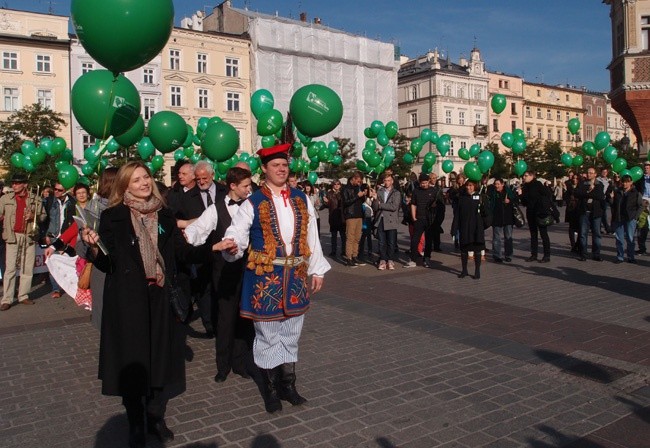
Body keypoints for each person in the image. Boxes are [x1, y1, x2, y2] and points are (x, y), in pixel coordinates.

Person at [81, 161, 233, 448]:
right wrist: (92, 246)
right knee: (134, 361)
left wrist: (212, 247)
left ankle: (155, 415)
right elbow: (106, 262)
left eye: (146, 177)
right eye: (136, 179)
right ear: (125, 185)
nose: (144, 183)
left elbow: (182, 252)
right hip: (127, 300)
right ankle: (136, 421)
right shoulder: (113, 216)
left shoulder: (164, 214)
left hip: (159, 296)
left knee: (159, 359)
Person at [222, 143, 331, 413]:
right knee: (268, 334)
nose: (282, 169)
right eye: (275, 166)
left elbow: (311, 236)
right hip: (265, 279)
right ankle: (270, 389)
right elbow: (237, 231)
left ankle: (289, 385)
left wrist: (316, 269)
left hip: (295, 276)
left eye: (284, 165)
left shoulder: (300, 198)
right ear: (264, 170)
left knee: (292, 333)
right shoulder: (252, 202)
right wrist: (232, 245)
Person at [183, 167, 255, 383]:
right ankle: (222, 366)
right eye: (246, 186)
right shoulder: (215, 210)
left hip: (250, 270)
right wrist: (193, 242)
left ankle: (240, 363)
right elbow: (197, 231)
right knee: (225, 319)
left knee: (245, 318)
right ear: (233, 186)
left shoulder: (252, 206)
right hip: (223, 272)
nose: (250, 189)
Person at [0, 174, 46, 311]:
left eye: (17, 183)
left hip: (29, 235)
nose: (14, 185)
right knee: (10, 268)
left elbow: (43, 216)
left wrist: (34, 216)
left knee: (27, 267)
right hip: (13, 235)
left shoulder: (35, 198)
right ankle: (7, 299)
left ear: (25, 185)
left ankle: (23, 295)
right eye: (13, 183)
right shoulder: (5, 198)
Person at [46, 182, 76, 298]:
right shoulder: (49, 201)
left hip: (65, 236)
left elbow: (73, 223)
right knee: (52, 261)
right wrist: (47, 234)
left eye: (60, 190)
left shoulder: (72, 202)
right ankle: (56, 289)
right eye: (55, 189)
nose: (56, 192)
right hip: (53, 235)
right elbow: (46, 218)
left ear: (66, 191)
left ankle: (70, 286)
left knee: (66, 261)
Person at [405, 173, 438, 268]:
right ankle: (413, 259)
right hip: (419, 218)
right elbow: (413, 204)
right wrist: (414, 217)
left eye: (426, 182)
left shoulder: (433, 191)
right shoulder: (416, 191)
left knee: (428, 240)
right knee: (415, 239)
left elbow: (437, 205)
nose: (424, 185)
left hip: (429, 220)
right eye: (422, 183)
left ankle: (427, 258)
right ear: (420, 183)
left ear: (428, 182)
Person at [519, 170, 552, 262]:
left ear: (532, 176)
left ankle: (546, 255)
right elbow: (525, 202)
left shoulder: (538, 184)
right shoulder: (525, 186)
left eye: (526, 175)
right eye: (523, 175)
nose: (524, 177)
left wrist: (542, 204)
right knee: (533, 234)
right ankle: (534, 254)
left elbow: (547, 195)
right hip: (530, 212)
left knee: (543, 234)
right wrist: (521, 195)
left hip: (540, 212)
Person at [574, 166, 606, 262]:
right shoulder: (582, 183)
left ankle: (596, 254)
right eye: (588, 172)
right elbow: (577, 193)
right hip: (584, 211)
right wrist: (589, 191)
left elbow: (600, 196)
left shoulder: (599, 184)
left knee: (596, 234)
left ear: (595, 174)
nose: (589, 174)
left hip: (596, 212)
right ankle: (583, 254)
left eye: (591, 173)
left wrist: (587, 193)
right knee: (583, 233)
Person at [371, 174, 401, 270]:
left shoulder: (396, 193)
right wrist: (375, 199)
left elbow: (394, 207)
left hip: (391, 220)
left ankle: (390, 260)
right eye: (385, 180)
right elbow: (375, 207)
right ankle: (383, 260)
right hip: (381, 219)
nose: (387, 182)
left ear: (392, 181)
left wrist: (381, 205)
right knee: (381, 242)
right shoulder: (380, 191)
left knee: (391, 242)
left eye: (389, 180)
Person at [610, 174, 643, 263]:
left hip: (630, 218)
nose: (625, 184)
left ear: (631, 182)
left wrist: (635, 217)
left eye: (627, 182)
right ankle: (620, 257)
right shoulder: (617, 192)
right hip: (619, 218)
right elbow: (612, 205)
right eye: (623, 182)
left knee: (630, 239)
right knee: (619, 239)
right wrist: (611, 199)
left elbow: (641, 206)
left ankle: (631, 257)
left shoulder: (635, 193)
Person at [457, 180, 485, 279]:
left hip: (477, 228)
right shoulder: (462, 198)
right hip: (465, 227)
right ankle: (464, 270)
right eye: (467, 186)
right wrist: (454, 228)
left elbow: (487, 213)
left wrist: (482, 224)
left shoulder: (480, 197)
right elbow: (457, 214)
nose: (469, 187)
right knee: (464, 249)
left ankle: (477, 270)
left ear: (475, 186)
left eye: (471, 185)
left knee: (477, 249)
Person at [342, 171, 367, 267]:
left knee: (357, 238)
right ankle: (349, 258)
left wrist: (363, 195)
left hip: (359, 214)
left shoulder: (358, 187)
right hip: (351, 215)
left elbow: (362, 201)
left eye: (360, 181)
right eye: (358, 181)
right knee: (350, 237)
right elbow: (346, 202)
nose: (359, 183)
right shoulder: (346, 188)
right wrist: (357, 196)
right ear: (354, 178)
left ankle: (355, 256)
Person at [490, 178, 516, 263]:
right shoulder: (493, 193)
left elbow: (515, 200)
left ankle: (508, 255)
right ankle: (497, 255)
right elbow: (490, 204)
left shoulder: (508, 192)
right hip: (497, 218)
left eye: (498, 184)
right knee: (497, 238)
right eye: (495, 184)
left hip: (508, 218)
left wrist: (509, 201)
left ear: (502, 184)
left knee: (508, 238)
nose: (496, 186)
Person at [323, 180, 345, 257]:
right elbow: (326, 205)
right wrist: (326, 202)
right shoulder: (329, 194)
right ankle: (333, 251)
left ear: (340, 185)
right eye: (335, 184)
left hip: (341, 216)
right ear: (332, 185)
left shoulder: (342, 193)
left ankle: (344, 251)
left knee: (343, 235)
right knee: (334, 235)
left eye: (338, 184)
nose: (336, 185)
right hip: (333, 216)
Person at [565, 174, 581, 253]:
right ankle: (573, 245)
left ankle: (577, 245)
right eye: (573, 178)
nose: (575, 180)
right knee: (571, 228)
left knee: (580, 228)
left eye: (576, 178)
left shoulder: (581, 187)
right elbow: (566, 197)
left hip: (578, 209)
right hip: (571, 209)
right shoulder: (569, 187)